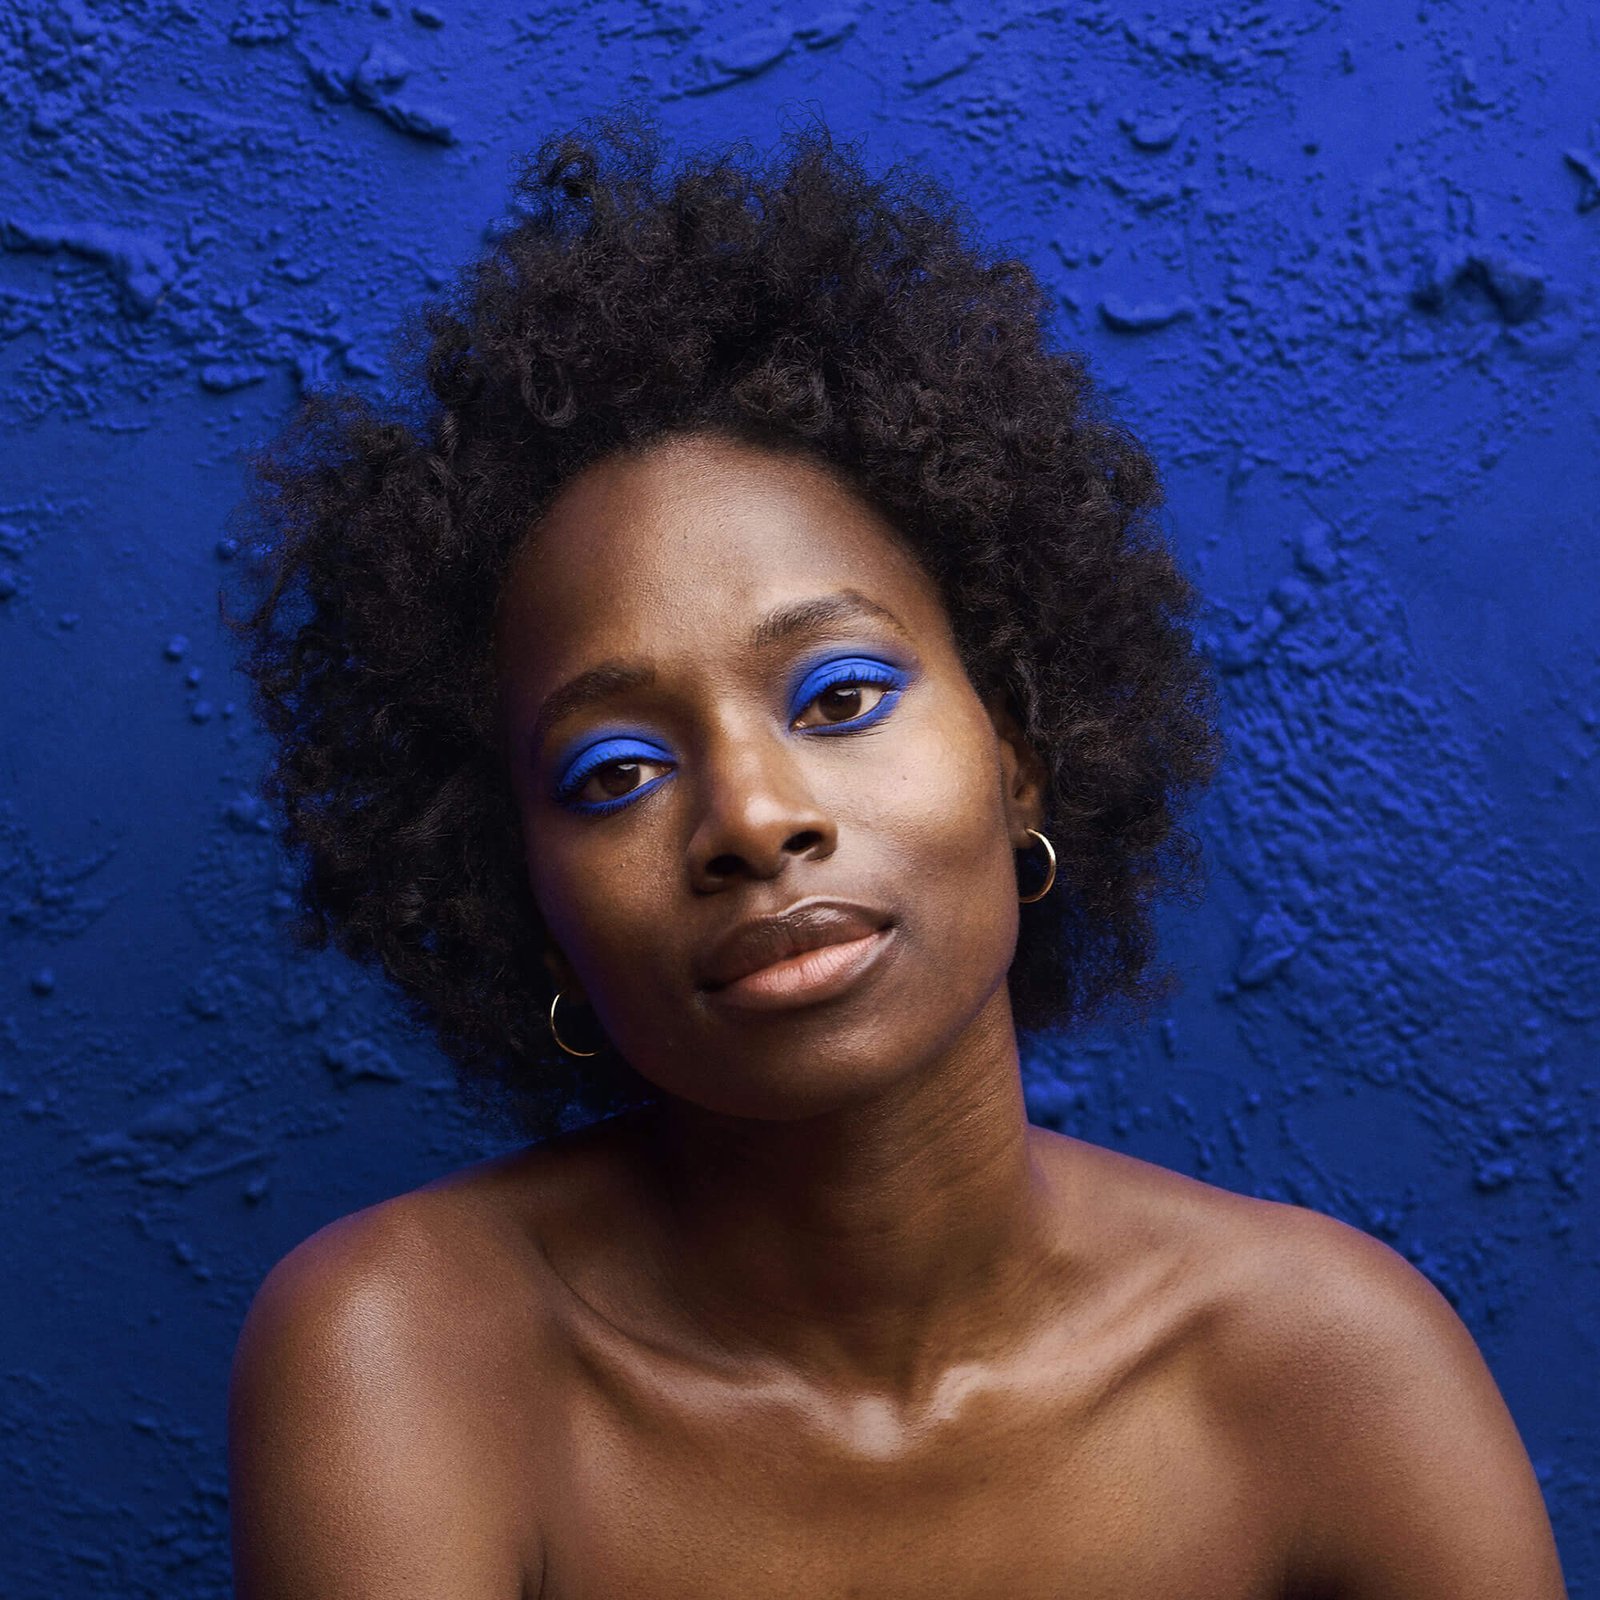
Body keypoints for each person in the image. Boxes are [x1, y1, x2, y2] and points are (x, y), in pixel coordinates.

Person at [222, 107, 1568, 1598]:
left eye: (842, 698)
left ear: (1017, 756)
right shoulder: (412, 1353)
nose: (753, 819)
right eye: (616, 774)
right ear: (529, 905)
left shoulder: (1327, 1367)